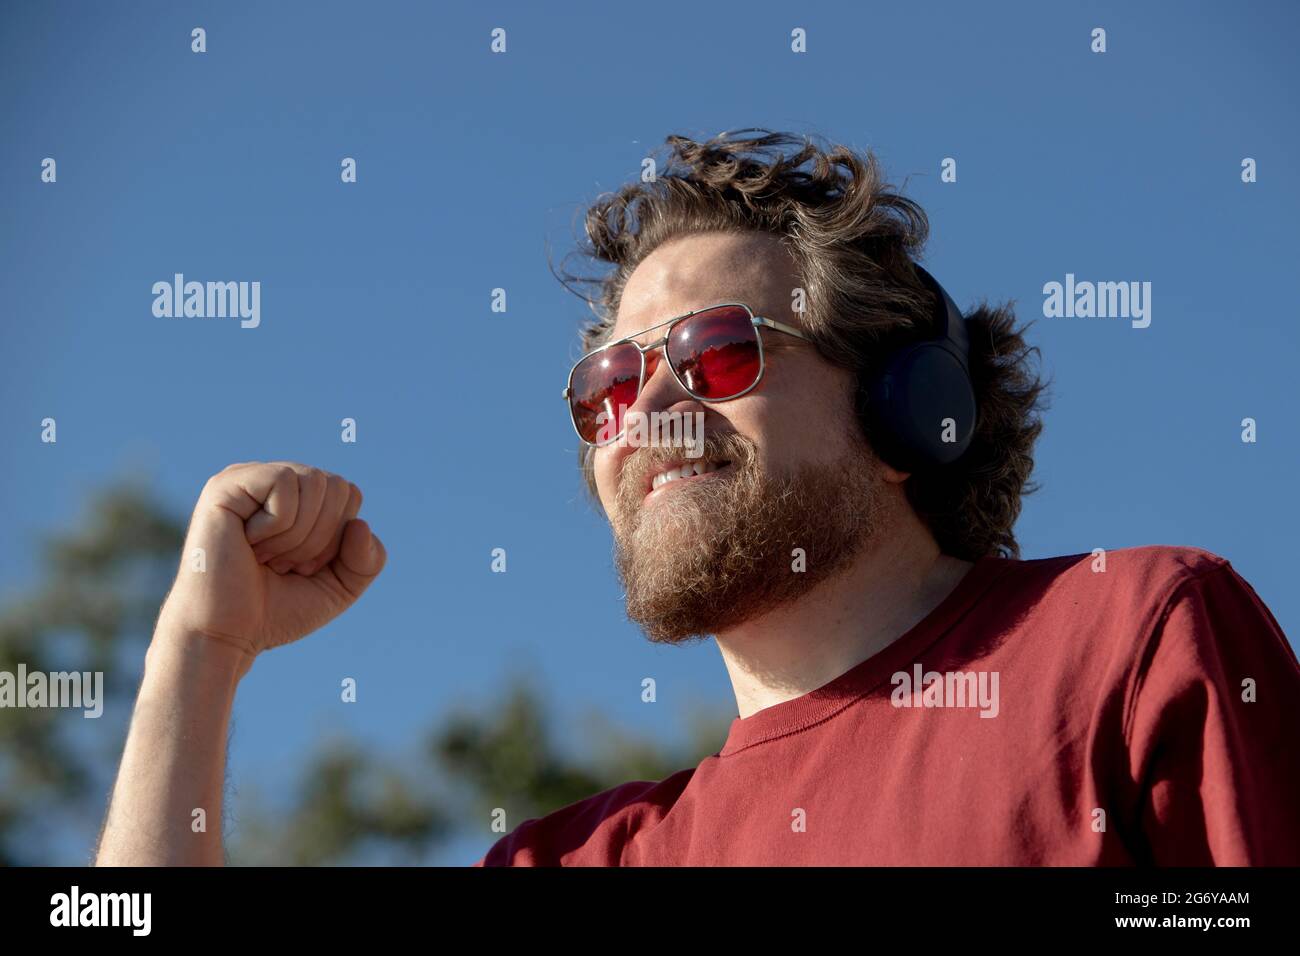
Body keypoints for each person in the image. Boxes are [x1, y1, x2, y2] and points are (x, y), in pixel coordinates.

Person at [94, 130, 1300, 867]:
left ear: (906, 412)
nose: (645, 409)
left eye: (719, 351)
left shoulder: (1134, 641)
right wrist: (200, 653)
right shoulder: (561, 860)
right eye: (605, 385)